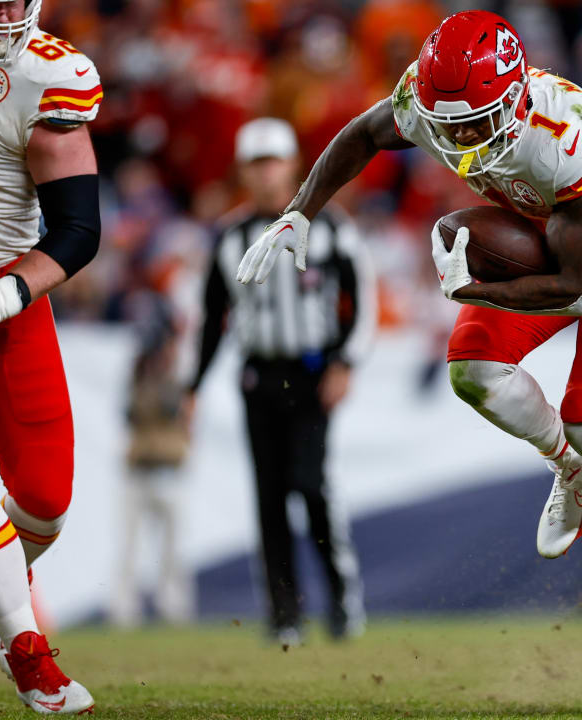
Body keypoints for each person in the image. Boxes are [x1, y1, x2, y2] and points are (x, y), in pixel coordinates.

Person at [233, 10, 582, 558]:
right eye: (449, 125)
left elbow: (575, 286)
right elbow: (364, 134)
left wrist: (474, 292)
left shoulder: (563, 135)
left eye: (476, 122)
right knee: (474, 373)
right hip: (541, 228)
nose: (459, 137)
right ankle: (568, 464)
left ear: (514, 101)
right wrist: (300, 212)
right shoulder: (426, 103)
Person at [189, 117, 375, 645]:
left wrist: (345, 363)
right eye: (257, 163)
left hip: (312, 374)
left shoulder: (332, 226)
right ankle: (284, 614)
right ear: (244, 171)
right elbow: (211, 318)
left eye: (274, 161)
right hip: (257, 377)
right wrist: (191, 388)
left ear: (293, 165)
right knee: (268, 498)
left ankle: (341, 600)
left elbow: (362, 300)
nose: (267, 173)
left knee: (311, 488)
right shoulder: (228, 237)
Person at [0, 0, 101, 712]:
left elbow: (79, 230)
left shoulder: (47, 72)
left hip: (10, 301)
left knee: (45, 502)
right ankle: (26, 650)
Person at [111, 278, 195, 626]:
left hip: (169, 468)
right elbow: (130, 413)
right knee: (128, 547)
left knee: (173, 551)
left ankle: (174, 610)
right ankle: (123, 612)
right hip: (140, 467)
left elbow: (179, 412)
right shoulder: (136, 374)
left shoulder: (178, 373)